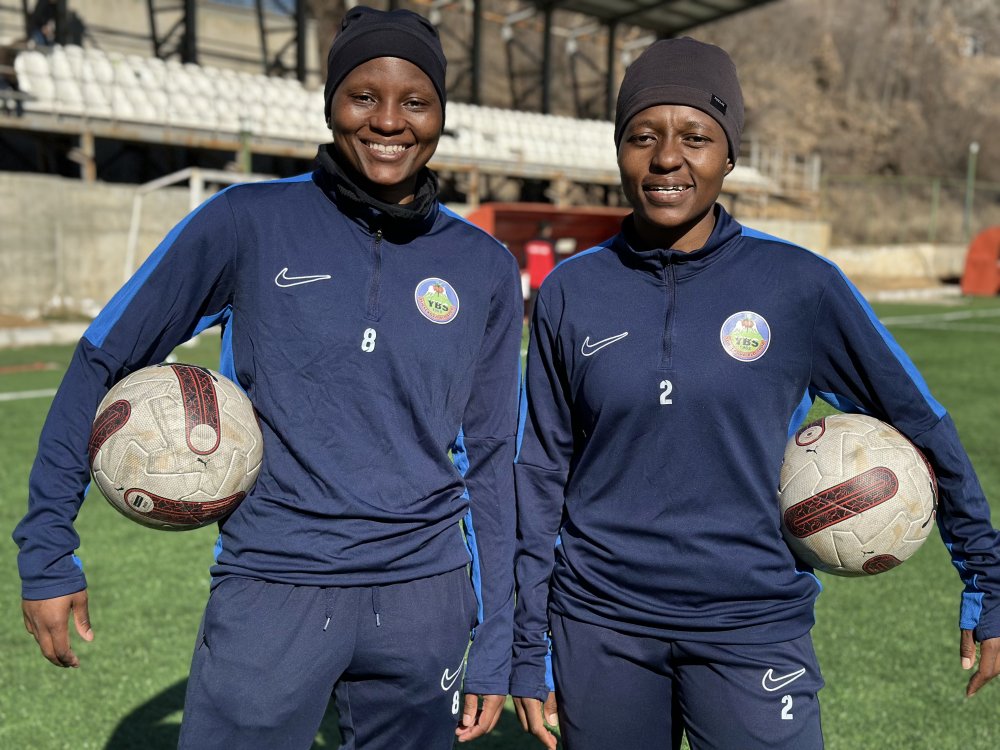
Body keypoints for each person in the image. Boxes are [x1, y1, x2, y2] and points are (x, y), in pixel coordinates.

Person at [13, 7, 522, 749]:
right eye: (363, 96)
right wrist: (47, 551)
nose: (388, 120)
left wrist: (500, 633)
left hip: (425, 598)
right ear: (329, 103)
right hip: (273, 584)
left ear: (440, 113)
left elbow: (494, 457)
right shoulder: (245, 221)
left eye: (414, 100)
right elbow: (102, 357)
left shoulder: (484, 267)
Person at [509, 37, 1000, 750]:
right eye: (642, 136)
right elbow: (539, 472)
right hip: (601, 623)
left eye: (696, 137)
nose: (667, 158)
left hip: (753, 622)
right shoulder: (571, 291)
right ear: (618, 149)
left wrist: (987, 576)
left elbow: (920, 421)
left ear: (730, 154)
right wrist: (527, 640)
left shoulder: (800, 285)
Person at [523, 221, 555, 321]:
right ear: (546, 230)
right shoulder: (551, 244)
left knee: (532, 304)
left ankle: (531, 325)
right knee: (547, 305)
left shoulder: (529, 243)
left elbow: (524, 262)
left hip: (532, 280)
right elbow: (556, 262)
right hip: (546, 280)